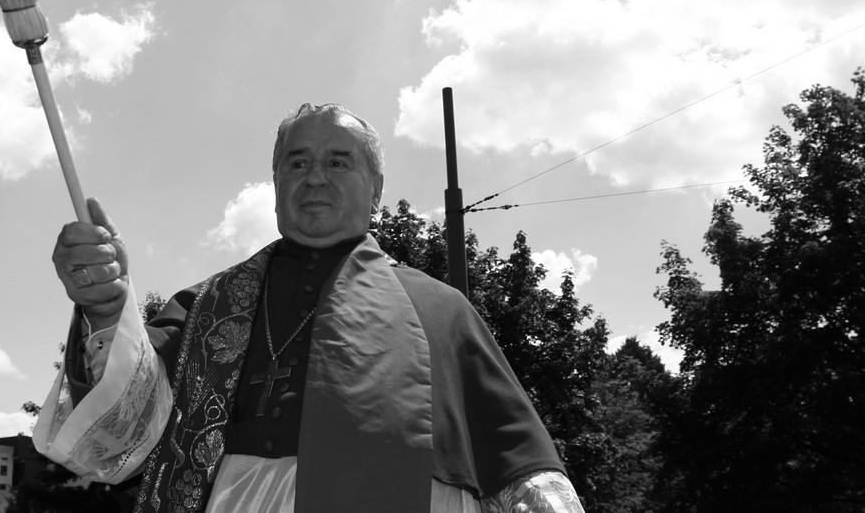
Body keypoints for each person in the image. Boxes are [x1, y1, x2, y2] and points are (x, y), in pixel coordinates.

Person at [33, 103, 585, 513]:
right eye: (296, 163)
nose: (314, 176)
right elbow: (123, 430)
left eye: (338, 161)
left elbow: (519, 466)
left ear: (376, 189)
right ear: (275, 184)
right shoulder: (206, 305)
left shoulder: (442, 309)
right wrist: (107, 310)